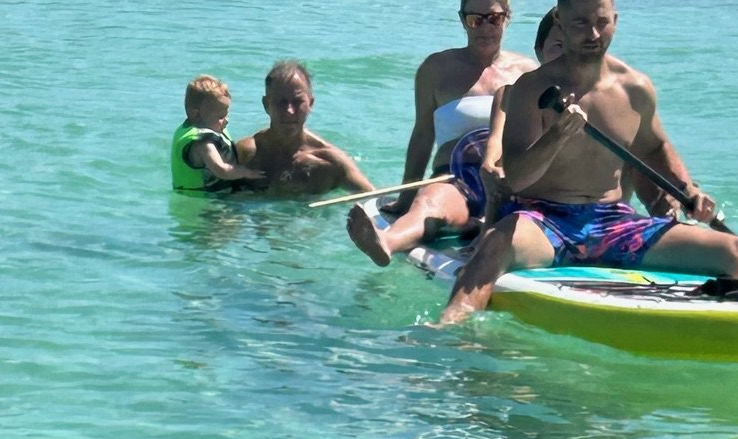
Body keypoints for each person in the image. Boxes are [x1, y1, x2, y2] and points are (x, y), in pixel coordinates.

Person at [439, 0, 738, 324]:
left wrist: (688, 189)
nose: (592, 34)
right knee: (495, 244)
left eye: (601, 22)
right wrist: (556, 137)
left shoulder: (635, 88)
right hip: (546, 220)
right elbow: (517, 179)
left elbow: (654, 146)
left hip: (616, 224)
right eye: (580, 23)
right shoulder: (532, 89)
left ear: (615, 20)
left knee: (735, 249)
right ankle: (452, 330)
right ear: (560, 21)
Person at [347, 7, 555, 269]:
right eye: (475, 19)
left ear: (507, 17)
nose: (485, 27)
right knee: (430, 206)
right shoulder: (435, 69)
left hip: (509, 182)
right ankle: (386, 243)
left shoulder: (527, 72)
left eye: (494, 18)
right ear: (462, 20)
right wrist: (406, 195)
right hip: (455, 180)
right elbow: (423, 134)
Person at [234, 62, 373, 199]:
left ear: (310, 104)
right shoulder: (246, 153)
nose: (289, 111)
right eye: (281, 102)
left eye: (297, 102)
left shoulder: (330, 163)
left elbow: (373, 198)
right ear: (266, 105)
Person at [170, 76, 266, 194]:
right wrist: (245, 172)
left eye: (226, 115)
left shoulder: (190, 129)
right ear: (196, 114)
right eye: (220, 117)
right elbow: (222, 170)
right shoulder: (203, 143)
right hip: (204, 202)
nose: (226, 120)